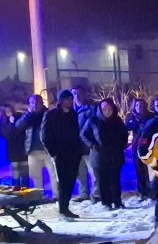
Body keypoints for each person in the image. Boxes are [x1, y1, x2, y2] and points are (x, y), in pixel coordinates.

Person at [41, 90, 86, 219]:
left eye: (71, 99)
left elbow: (75, 133)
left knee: (71, 181)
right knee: (63, 182)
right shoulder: (51, 115)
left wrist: (78, 151)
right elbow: (45, 136)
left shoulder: (73, 114)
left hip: (73, 153)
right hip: (60, 154)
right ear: (61, 100)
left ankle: (66, 207)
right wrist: (53, 153)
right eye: (67, 99)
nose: (70, 101)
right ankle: (63, 209)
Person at [82, 98, 128, 210]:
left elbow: (124, 135)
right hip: (99, 156)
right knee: (103, 181)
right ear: (100, 110)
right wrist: (93, 145)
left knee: (115, 180)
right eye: (104, 109)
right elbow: (84, 135)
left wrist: (122, 145)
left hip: (115, 156)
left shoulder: (117, 121)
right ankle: (106, 202)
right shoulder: (93, 121)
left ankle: (118, 202)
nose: (107, 111)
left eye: (109, 109)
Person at [16, 95, 55, 192]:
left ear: (42, 103)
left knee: (54, 175)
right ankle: (38, 195)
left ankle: (57, 196)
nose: (34, 105)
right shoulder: (28, 116)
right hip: (32, 150)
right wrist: (28, 114)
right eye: (32, 103)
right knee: (35, 176)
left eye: (37, 102)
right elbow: (18, 126)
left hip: (48, 150)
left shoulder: (49, 114)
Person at [70, 87, 99, 202]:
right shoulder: (70, 111)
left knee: (93, 171)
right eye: (73, 94)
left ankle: (96, 194)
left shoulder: (91, 109)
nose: (76, 96)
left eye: (78, 93)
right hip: (75, 148)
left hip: (87, 146)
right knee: (80, 173)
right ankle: (83, 194)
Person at [125, 98, 154, 199]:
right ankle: (142, 192)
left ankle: (151, 191)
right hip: (136, 146)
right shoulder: (131, 117)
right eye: (137, 105)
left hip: (149, 146)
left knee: (149, 170)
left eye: (141, 105)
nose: (139, 107)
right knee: (139, 170)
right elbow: (126, 128)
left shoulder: (150, 116)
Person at [0, 105, 30, 188]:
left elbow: (23, 128)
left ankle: (26, 191)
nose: (10, 112)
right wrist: (10, 123)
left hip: (22, 149)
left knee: (25, 173)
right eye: (7, 111)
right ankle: (16, 191)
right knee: (16, 174)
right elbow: (5, 135)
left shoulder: (19, 117)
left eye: (11, 110)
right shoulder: (3, 122)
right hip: (13, 151)